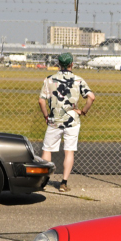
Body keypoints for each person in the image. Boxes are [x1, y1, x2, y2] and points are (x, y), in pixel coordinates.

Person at [37, 53, 95, 191]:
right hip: (72, 121)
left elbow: (41, 100)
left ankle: (44, 180)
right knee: (69, 151)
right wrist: (83, 111)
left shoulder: (49, 79)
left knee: (47, 149)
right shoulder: (78, 80)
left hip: (54, 120)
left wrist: (46, 116)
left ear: (58, 64)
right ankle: (64, 182)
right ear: (72, 64)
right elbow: (91, 97)